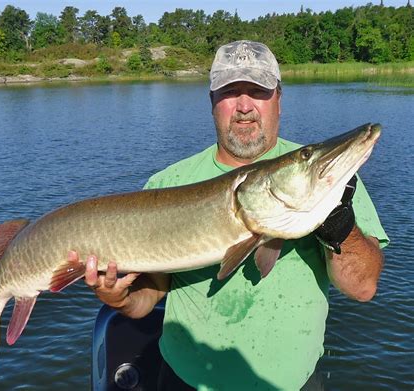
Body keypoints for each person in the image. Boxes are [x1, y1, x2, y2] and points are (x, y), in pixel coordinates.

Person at [79, 41, 389, 390]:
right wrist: (119, 298)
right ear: (212, 102)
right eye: (230, 92)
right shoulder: (166, 183)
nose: (244, 106)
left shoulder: (331, 181)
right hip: (186, 380)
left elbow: (363, 287)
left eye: (257, 91)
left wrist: (339, 225)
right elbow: (146, 299)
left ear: (278, 100)